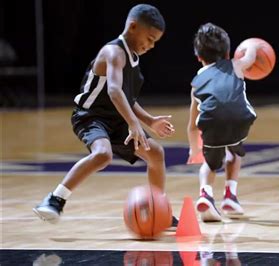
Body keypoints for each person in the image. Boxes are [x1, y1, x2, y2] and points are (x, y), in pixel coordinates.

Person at [33, 4, 178, 226]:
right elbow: (113, 90)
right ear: (133, 26)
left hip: (116, 120)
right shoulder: (113, 52)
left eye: (155, 42)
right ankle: (54, 199)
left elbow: (127, 98)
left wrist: (149, 121)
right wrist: (132, 123)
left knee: (156, 153)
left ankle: (158, 209)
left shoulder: (133, 58)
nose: (151, 45)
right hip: (90, 116)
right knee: (103, 154)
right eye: (149, 38)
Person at [187, 22, 259, 222]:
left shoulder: (196, 82)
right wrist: (253, 44)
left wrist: (194, 150)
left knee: (209, 163)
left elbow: (192, 125)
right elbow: (251, 56)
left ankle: (206, 194)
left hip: (211, 123)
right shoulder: (236, 65)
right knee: (235, 152)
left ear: (199, 57)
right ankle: (230, 195)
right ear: (228, 53)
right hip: (240, 119)